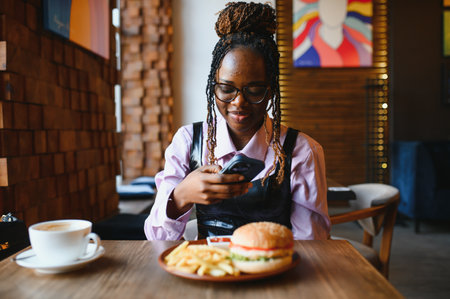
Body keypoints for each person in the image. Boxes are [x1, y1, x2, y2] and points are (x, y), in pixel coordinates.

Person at [145, 2, 330, 240]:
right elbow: (156, 239)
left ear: (271, 90)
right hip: (210, 270)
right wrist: (180, 196)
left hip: (274, 271)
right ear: (213, 88)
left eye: (254, 90)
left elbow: (312, 244)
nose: (238, 103)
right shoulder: (189, 142)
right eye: (226, 89)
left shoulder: (301, 151)